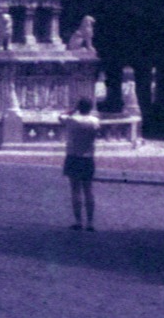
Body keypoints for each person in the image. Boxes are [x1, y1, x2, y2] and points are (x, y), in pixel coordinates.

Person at [59, 97, 100, 230]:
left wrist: (73, 110)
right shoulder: (95, 121)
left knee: (75, 190)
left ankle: (78, 221)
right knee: (88, 190)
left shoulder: (72, 120)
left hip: (73, 156)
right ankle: (91, 222)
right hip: (88, 157)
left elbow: (61, 116)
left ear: (79, 107)